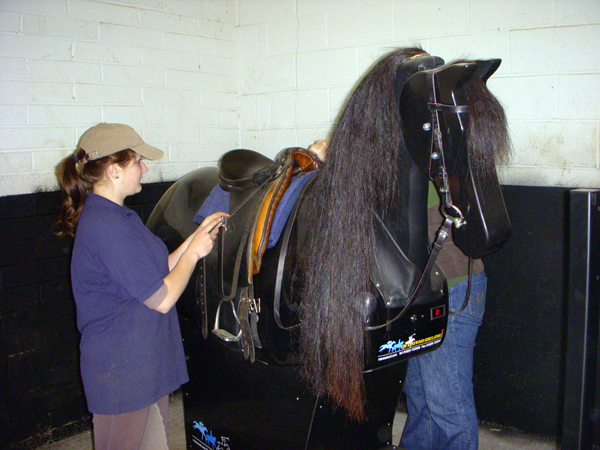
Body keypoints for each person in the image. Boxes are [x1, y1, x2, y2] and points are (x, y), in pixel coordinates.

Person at [55, 123, 227, 450]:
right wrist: (193, 253)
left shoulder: (120, 217)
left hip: (141, 367)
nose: (145, 168)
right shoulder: (105, 227)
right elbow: (161, 298)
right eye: (138, 161)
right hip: (122, 375)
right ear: (115, 170)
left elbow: (155, 271)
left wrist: (198, 234)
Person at [399, 184, 487, 450]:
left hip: (451, 289)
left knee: (447, 404)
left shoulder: (424, 164)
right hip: (426, 292)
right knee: (421, 398)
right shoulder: (418, 161)